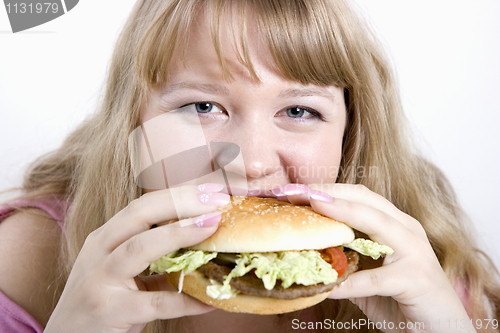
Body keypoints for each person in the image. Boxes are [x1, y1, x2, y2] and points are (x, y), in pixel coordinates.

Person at [0, 0, 499, 332]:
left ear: (351, 137)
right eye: (201, 107)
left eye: (300, 111)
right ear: (132, 123)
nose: (253, 162)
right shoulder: (28, 257)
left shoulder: (423, 269)